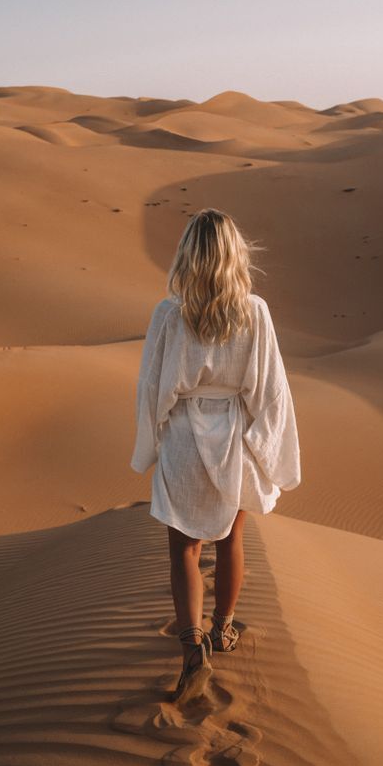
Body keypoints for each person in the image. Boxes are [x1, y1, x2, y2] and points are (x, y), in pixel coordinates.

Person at [130, 208, 301, 703]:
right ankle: (223, 629)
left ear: (189, 254)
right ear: (234, 254)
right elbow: (271, 391)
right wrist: (269, 449)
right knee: (232, 539)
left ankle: (191, 649)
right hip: (235, 436)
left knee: (183, 548)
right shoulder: (255, 311)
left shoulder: (168, 313)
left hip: (183, 435)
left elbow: (151, 387)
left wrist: (153, 442)